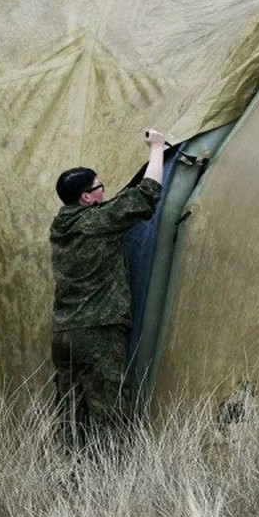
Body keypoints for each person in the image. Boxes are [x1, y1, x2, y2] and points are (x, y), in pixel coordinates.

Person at [50, 128, 166, 439]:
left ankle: (67, 476)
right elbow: (147, 194)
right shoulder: (97, 222)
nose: (104, 191)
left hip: (65, 332)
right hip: (98, 330)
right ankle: (109, 480)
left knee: (70, 413)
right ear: (86, 197)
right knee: (110, 410)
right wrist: (157, 147)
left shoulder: (61, 226)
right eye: (99, 187)